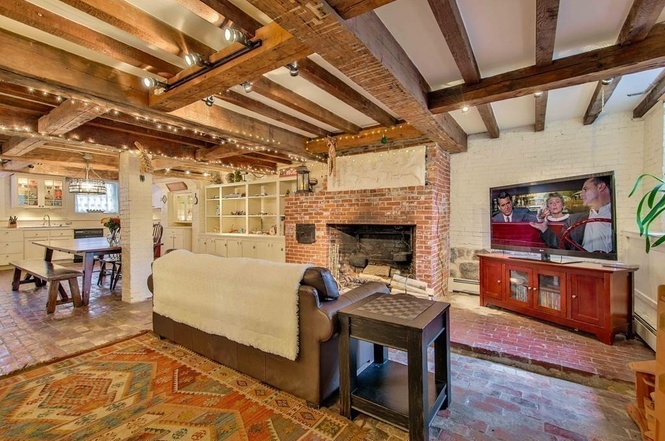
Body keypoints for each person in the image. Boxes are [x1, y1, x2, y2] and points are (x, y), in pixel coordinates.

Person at [530, 177, 613, 252]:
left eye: (585, 189)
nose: (581, 194)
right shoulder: (574, 219)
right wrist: (545, 229)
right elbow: (562, 246)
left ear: (600, 187)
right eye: (551, 203)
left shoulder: (618, 217)